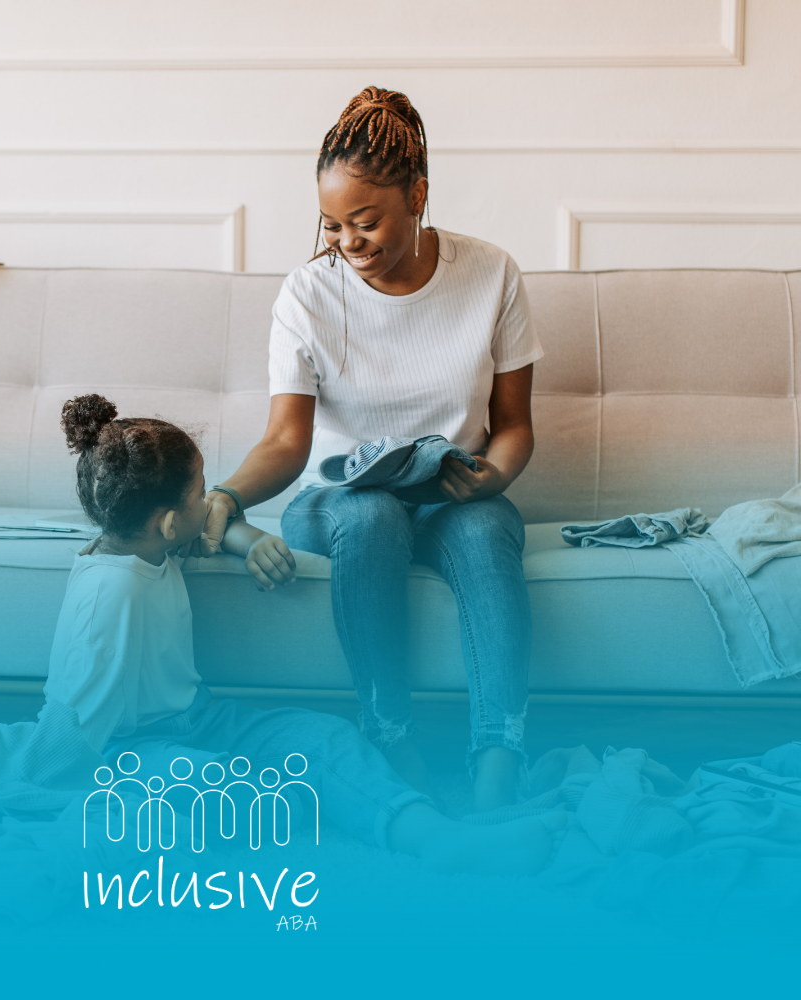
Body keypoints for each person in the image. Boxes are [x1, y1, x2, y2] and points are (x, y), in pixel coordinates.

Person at [194, 87, 544, 812]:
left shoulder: (492, 275)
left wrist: (493, 476)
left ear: (418, 195)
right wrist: (227, 495)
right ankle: (390, 738)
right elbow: (288, 441)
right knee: (373, 515)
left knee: (485, 531)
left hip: (453, 497)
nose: (348, 244)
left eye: (366, 222)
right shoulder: (306, 296)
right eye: (331, 226)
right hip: (338, 504)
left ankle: (498, 757)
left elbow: (513, 424)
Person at [50, 393, 563, 875]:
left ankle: (435, 837)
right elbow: (73, 728)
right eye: (200, 491)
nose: (211, 499)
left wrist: (249, 540)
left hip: (202, 720)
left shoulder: (147, 541)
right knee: (245, 796)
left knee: (328, 739)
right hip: (132, 750)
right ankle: (273, 806)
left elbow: (209, 525)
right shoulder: (107, 597)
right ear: (167, 523)